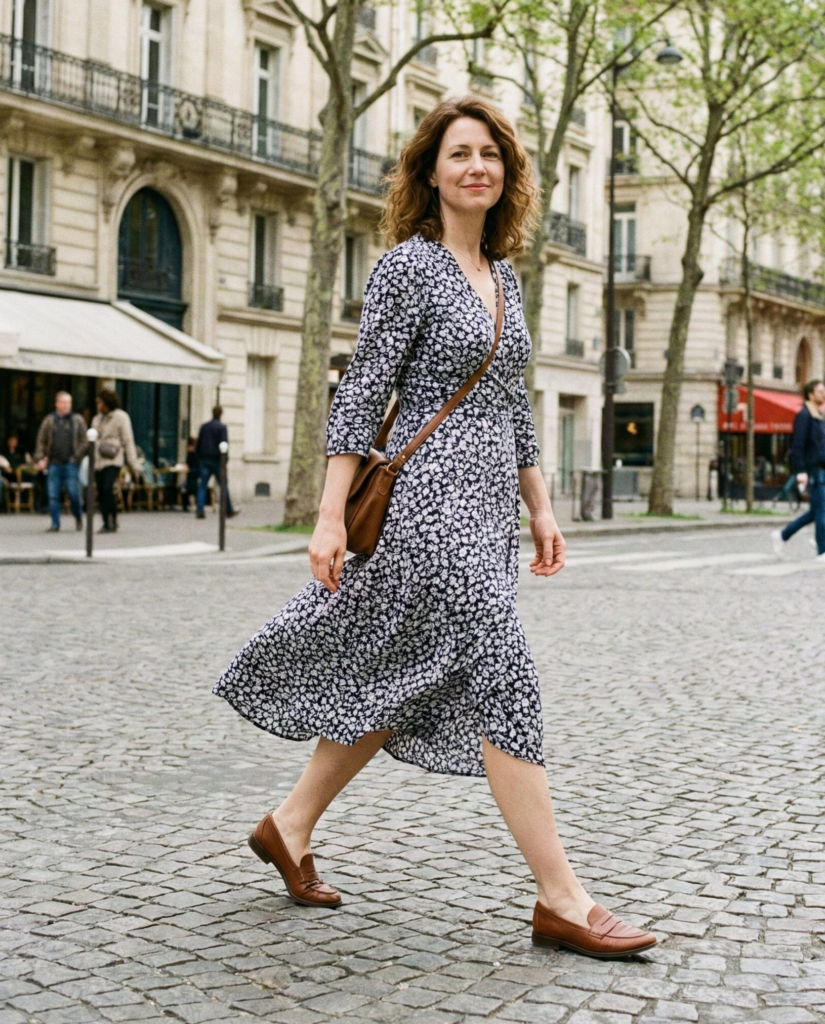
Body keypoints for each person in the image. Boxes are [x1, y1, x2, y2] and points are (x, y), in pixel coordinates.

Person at [212, 97, 657, 959]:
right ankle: (562, 898)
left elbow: (510, 405)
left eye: (489, 154)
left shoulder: (506, 275)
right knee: (503, 675)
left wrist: (539, 505)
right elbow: (363, 390)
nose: (475, 167)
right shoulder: (408, 268)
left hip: (487, 509)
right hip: (426, 506)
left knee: (405, 670)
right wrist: (328, 515)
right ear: (430, 172)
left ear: (507, 174)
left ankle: (289, 824)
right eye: (458, 154)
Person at [771, 379, 825, 560]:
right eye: (820, 391)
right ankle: (822, 551)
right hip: (814, 472)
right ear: (811, 394)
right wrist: (801, 470)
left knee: (816, 512)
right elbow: (798, 445)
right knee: (820, 512)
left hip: (821, 470)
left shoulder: (818, 415)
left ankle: (783, 535)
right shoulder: (804, 415)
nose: (823, 394)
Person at [34, 391, 86, 532]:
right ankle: (55, 523)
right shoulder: (49, 421)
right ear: (57, 404)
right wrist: (40, 458)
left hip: (70, 463)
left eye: (69, 402)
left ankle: (78, 516)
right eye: (63, 402)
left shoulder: (77, 420)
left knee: (73, 493)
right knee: (53, 494)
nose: (66, 405)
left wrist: (77, 456)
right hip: (54, 463)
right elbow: (41, 441)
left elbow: (84, 441)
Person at [91, 389, 139, 534]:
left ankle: (112, 519)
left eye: (100, 402)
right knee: (101, 490)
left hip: (113, 460)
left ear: (107, 402)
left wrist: (133, 462)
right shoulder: (96, 419)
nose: (99, 405)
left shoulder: (121, 417)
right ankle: (107, 521)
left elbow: (128, 440)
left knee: (107, 488)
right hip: (99, 461)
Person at [195, 406, 238, 519]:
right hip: (217, 460)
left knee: (202, 485)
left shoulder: (204, 427)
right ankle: (228, 510)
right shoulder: (222, 427)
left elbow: (198, 444)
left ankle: (200, 510)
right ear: (221, 414)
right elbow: (224, 444)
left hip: (204, 460)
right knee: (223, 485)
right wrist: (225, 461)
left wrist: (199, 457)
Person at [181, 437, 199, 511]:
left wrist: (189, 469)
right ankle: (187, 505)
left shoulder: (195, 454)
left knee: (184, 489)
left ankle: (186, 506)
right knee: (183, 487)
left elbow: (197, 467)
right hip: (191, 477)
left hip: (193, 477)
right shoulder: (190, 454)